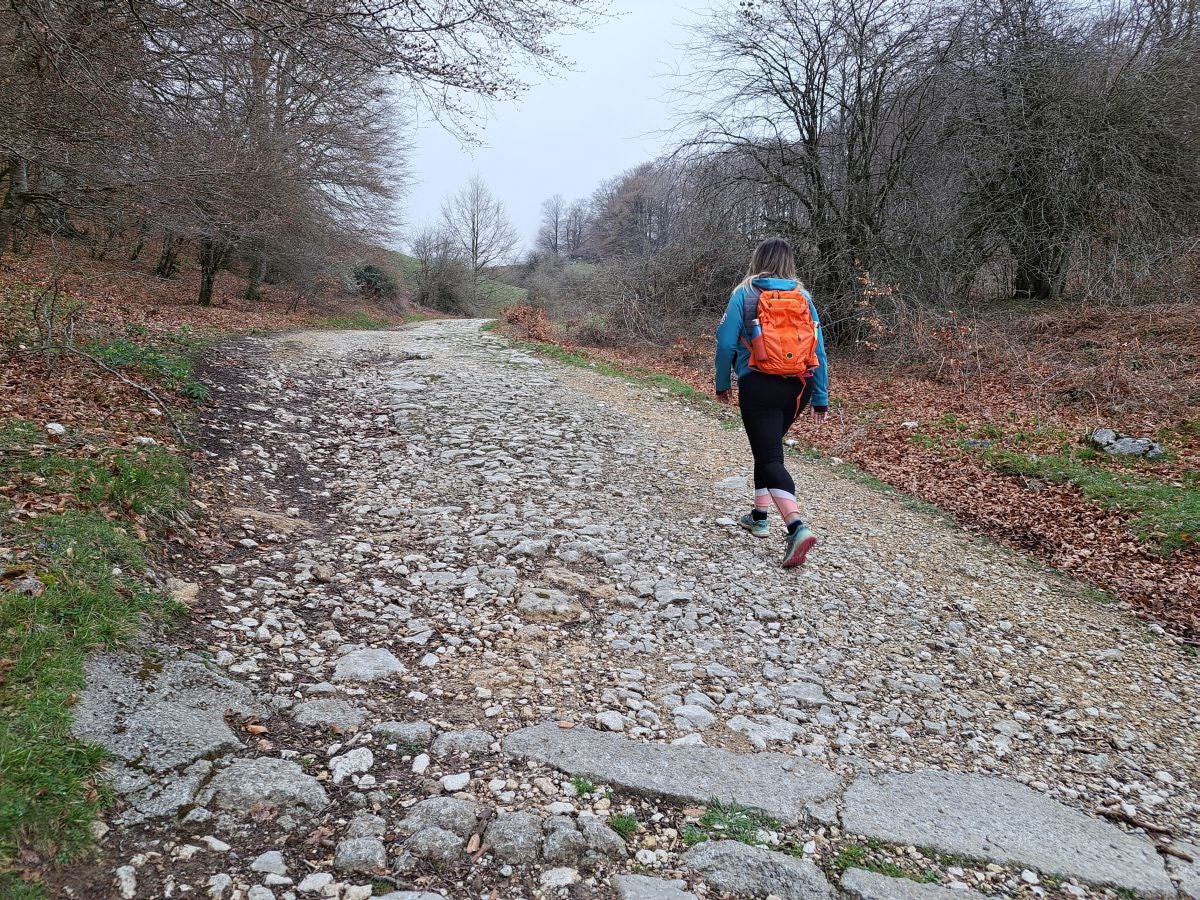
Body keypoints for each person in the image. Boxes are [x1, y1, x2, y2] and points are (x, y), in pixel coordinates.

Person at [714, 237, 829, 568]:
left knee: (769, 456)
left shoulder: (745, 293)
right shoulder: (804, 297)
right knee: (766, 449)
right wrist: (820, 396)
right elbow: (819, 351)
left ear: (757, 259)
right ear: (790, 263)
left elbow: (724, 344)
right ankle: (759, 515)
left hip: (759, 383)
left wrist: (723, 383)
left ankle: (796, 527)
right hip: (798, 388)